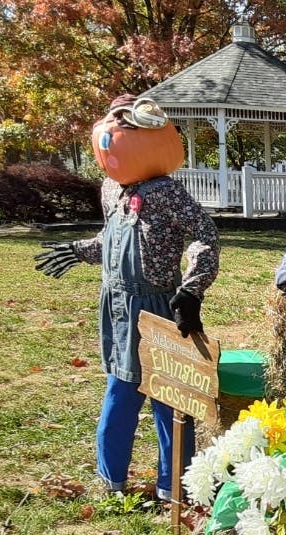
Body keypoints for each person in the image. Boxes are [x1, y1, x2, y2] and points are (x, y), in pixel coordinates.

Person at [34, 95, 219, 500]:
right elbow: (112, 239)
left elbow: (205, 236)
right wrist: (78, 250)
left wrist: (191, 288)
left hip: (156, 306)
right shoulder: (110, 189)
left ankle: (176, 486)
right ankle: (111, 480)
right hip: (117, 306)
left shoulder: (167, 192)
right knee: (119, 392)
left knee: (168, 399)